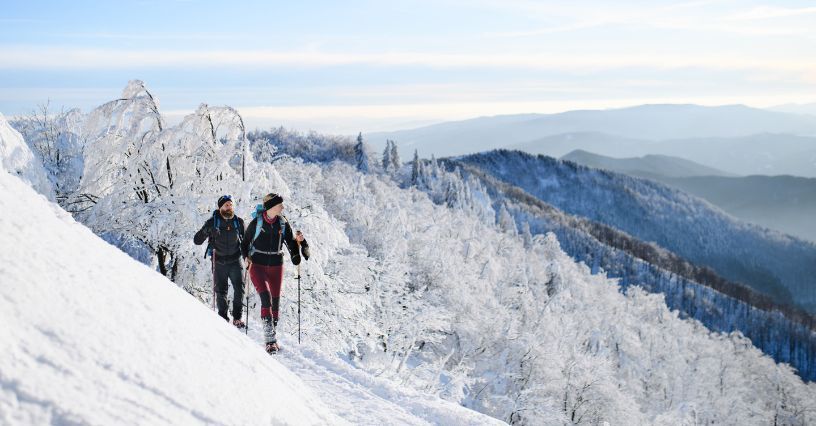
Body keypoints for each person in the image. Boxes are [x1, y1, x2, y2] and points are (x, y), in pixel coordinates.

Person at [242, 193, 309, 353]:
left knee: (276, 302)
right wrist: (246, 258)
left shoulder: (282, 222)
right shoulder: (256, 223)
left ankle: (273, 333)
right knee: (266, 298)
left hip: (276, 265)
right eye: (280, 205)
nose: (283, 207)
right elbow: (244, 243)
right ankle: (270, 341)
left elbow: (292, 244)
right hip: (257, 264)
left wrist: (300, 244)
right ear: (272, 206)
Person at [194, 195, 246, 327]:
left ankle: (237, 318)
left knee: (239, 289)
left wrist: (248, 257)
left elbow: (246, 242)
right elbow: (197, 240)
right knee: (221, 291)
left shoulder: (239, 222)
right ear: (220, 207)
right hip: (218, 261)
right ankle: (223, 319)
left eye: (230, 204)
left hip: (235, 260)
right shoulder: (212, 222)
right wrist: (207, 231)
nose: (229, 207)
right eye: (226, 205)